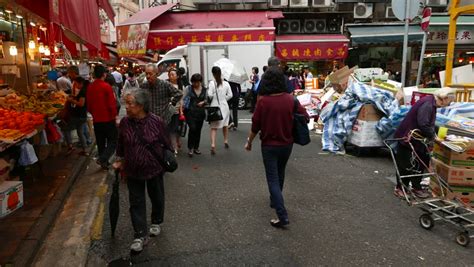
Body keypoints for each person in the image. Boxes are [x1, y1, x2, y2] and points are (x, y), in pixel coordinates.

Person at [245, 66, 309, 228]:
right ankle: (275, 200)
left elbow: (255, 126)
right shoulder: (291, 99)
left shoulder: (263, 102)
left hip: (269, 146)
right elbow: (306, 117)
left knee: (272, 178)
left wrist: (249, 142)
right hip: (287, 144)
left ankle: (281, 214)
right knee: (280, 174)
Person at [113, 89, 172, 253]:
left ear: (140, 106)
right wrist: (119, 160)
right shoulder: (125, 122)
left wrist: (167, 160)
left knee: (157, 196)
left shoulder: (156, 122)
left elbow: (167, 144)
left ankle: (156, 221)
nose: (127, 107)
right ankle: (140, 234)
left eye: (130, 103)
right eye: (126, 103)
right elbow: (120, 143)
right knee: (136, 202)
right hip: (132, 169)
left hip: (154, 168)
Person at [393, 88, 455, 199]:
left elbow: (428, 123)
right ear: (444, 98)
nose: (448, 104)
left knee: (420, 162)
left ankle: (416, 187)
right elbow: (424, 124)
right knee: (406, 164)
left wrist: (436, 133)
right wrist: (434, 137)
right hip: (408, 137)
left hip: (417, 138)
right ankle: (401, 188)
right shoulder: (428, 104)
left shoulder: (432, 102)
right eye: (449, 102)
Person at [86, 65, 118, 169]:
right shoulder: (106, 86)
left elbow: (89, 105)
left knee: (100, 142)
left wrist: (94, 113)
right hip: (108, 119)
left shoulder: (90, 87)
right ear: (104, 74)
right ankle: (103, 159)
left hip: (97, 120)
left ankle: (104, 162)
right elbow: (111, 105)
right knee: (113, 141)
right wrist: (115, 116)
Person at [142, 64, 183, 139]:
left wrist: (172, 103)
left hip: (163, 119)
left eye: (150, 74)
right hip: (149, 120)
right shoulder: (144, 86)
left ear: (156, 74)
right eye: (146, 74)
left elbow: (179, 93)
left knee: (163, 143)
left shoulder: (165, 84)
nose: (148, 76)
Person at [208, 66, 233, 155]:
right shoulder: (226, 83)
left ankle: (213, 144)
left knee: (213, 127)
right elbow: (230, 95)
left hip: (214, 106)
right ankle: (225, 141)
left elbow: (210, 95)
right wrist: (224, 99)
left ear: (213, 74)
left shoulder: (211, 83)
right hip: (224, 106)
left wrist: (215, 96)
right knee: (225, 125)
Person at [63, 77, 89, 156]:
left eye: (76, 83)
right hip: (82, 115)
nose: (75, 85)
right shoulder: (83, 90)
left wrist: (71, 100)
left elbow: (81, 104)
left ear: (80, 83)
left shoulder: (83, 91)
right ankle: (85, 150)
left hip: (78, 115)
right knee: (80, 132)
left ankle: (70, 146)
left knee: (66, 129)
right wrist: (74, 97)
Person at [183, 73, 207, 157]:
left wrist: (203, 102)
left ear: (200, 82)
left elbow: (207, 99)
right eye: (194, 82)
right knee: (192, 128)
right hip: (190, 112)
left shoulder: (204, 89)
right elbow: (183, 98)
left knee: (198, 130)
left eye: (197, 82)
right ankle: (190, 148)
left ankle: (196, 147)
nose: (195, 84)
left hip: (200, 113)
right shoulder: (188, 88)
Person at [167, 68, 184, 154]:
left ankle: (176, 143)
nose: (171, 76)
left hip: (177, 111)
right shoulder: (166, 85)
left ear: (177, 76)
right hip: (167, 110)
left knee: (176, 129)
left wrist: (181, 111)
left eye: (173, 74)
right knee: (170, 129)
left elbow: (181, 100)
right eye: (170, 75)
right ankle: (174, 147)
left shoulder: (180, 86)